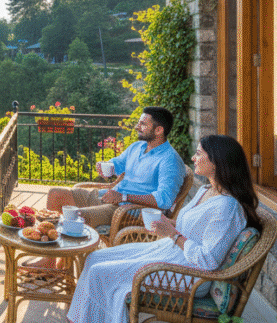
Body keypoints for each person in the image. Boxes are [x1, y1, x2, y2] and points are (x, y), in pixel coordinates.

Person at [32, 134, 262, 323]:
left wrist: (172, 235)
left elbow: (209, 260)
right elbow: (196, 231)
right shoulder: (208, 190)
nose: (193, 157)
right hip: (171, 252)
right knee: (95, 259)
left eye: (199, 153)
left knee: (101, 272)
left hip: (187, 275)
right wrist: (171, 225)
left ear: (216, 162)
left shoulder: (227, 207)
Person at [31, 107, 186, 269]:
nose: (137, 127)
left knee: (75, 216)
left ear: (159, 130)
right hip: (110, 196)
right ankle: (50, 261)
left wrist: (124, 197)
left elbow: (164, 201)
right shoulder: (138, 147)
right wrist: (107, 167)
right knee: (56, 194)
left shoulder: (170, 161)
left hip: (129, 211)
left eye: (143, 124)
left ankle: (68, 267)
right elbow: (117, 164)